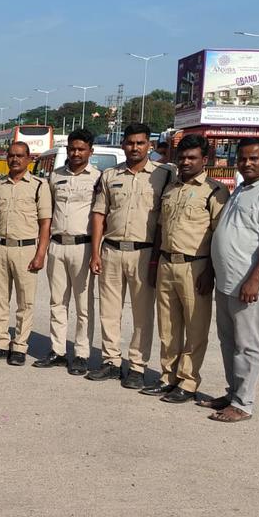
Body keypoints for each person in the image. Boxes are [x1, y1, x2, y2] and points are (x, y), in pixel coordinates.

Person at [203, 138, 259, 422]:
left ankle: (243, 403)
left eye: (254, 159)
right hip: (228, 281)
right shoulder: (243, 188)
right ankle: (233, 393)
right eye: (242, 159)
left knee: (247, 344)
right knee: (228, 340)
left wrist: (254, 280)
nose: (247, 163)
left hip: (249, 285)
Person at [142, 134, 228, 403]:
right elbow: (160, 230)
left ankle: (189, 381)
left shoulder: (215, 192)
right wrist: (155, 263)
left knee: (195, 327)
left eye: (192, 158)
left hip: (196, 267)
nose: (186, 162)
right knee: (167, 326)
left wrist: (210, 272)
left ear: (205, 160)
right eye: (183, 157)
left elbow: (218, 236)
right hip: (167, 264)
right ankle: (168, 376)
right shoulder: (171, 189)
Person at [86, 123, 171, 389]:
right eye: (130, 142)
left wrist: (158, 259)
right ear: (123, 145)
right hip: (111, 251)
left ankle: (137, 366)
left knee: (142, 314)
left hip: (143, 253)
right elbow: (99, 214)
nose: (135, 147)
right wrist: (96, 252)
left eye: (140, 143)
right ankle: (111, 361)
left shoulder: (164, 175)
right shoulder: (110, 175)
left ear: (150, 145)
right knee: (109, 311)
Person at [0, 142, 51, 366]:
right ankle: (1, 342)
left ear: (29, 159)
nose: (15, 160)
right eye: (11, 156)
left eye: (20, 156)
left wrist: (40, 253)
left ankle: (20, 345)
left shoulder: (39, 186)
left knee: (25, 301)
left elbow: (45, 224)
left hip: (26, 249)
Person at [37, 129, 100, 375]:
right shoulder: (55, 177)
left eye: (81, 149)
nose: (76, 153)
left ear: (90, 151)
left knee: (83, 306)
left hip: (83, 247)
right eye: (72, 149)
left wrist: (97, 252)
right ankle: (58, 351)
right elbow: (48, 211)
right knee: (57, 302)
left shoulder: (98, 178)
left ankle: (82, 354)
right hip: (57, 246)